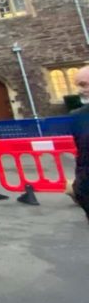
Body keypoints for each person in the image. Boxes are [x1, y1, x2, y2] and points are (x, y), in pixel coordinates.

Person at [71, 66, 89, 224]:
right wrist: (79, 188)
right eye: (79, 86)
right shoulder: (78, 116)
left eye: (84, 84)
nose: (81, 90)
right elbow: (82, 154)